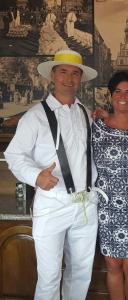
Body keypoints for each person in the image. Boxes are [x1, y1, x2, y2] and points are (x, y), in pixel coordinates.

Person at [4, 49, 99, 300]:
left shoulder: (85, 114)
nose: (69, 78)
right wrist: (36, 176)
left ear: (81, 79)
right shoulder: (35, 116)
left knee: (80, 273)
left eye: (75, 73)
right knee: (49, 276)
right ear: (53, 76)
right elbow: (14, 155)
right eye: (63, 72)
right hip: (52, 204)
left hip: (86, 205)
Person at [92, 71, 128, 300]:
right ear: (111, 95)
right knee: (114, 266)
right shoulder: (96, 126)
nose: (123, 96)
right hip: (107, 206)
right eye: (118, 91)